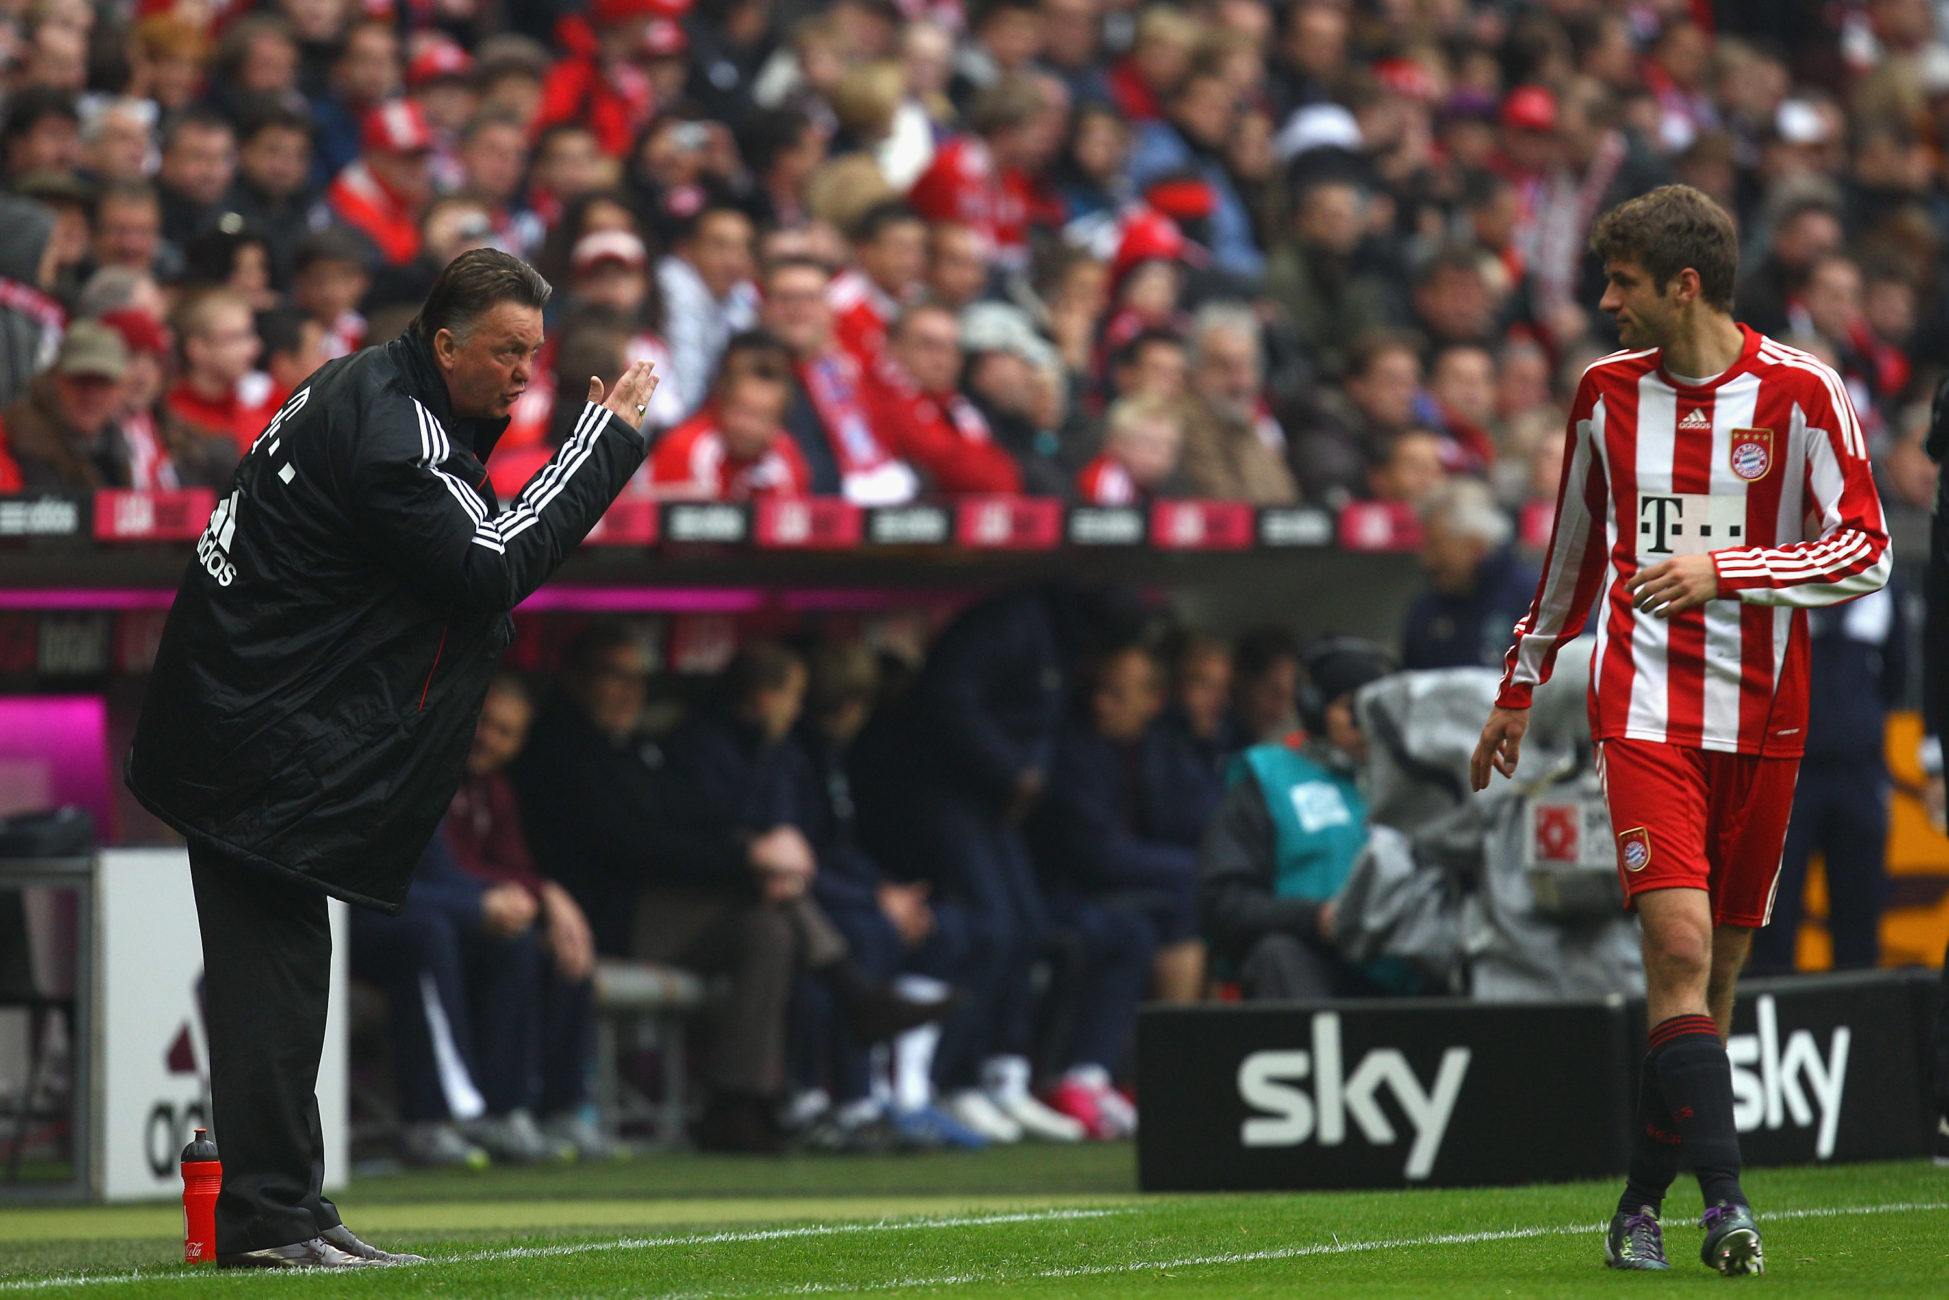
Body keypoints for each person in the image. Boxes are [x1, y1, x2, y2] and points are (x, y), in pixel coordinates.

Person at [125, 250, 660, 1269]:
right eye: (505, 351)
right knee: (269, 988)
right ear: (445, 341)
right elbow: (488, 567)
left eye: (534, 355)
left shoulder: (364, 383)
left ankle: (291, 1206)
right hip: (252, 743)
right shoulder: (394, 435)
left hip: (245, 729)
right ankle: (267, 1218)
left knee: (284, 977)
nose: (522, 374)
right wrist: (602, 442)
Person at [1470, 186, 1889, 1277]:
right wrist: (1517, 686)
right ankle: (1727, 1205)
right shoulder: (1603, 393)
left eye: (1620, 283)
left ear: (1681, 285)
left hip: (1763, 722)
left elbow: (1865, 550)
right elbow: (1568, 559)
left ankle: (1636, 1202)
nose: (1603, 302)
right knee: (1678, 947)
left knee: (1715, 978)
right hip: (1644, 713)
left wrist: (1727, 567)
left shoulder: (1802, 393)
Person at [1198, 638, 1397, 999]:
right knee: (1277, 954)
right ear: (1314, 709)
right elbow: (1223, 903)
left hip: (1405, 966)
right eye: (1353, 707)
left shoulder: (1417, 786)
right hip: (1312, 966)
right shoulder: (1268, 778)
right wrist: (1317, 919)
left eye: (1380, 708)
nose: (1367, 723)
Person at [1400, 479, 1541, 670]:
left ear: (1476, 545)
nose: (1426, 560)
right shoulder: (1424, 608)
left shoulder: (1535, 601)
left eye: (1435, 546)